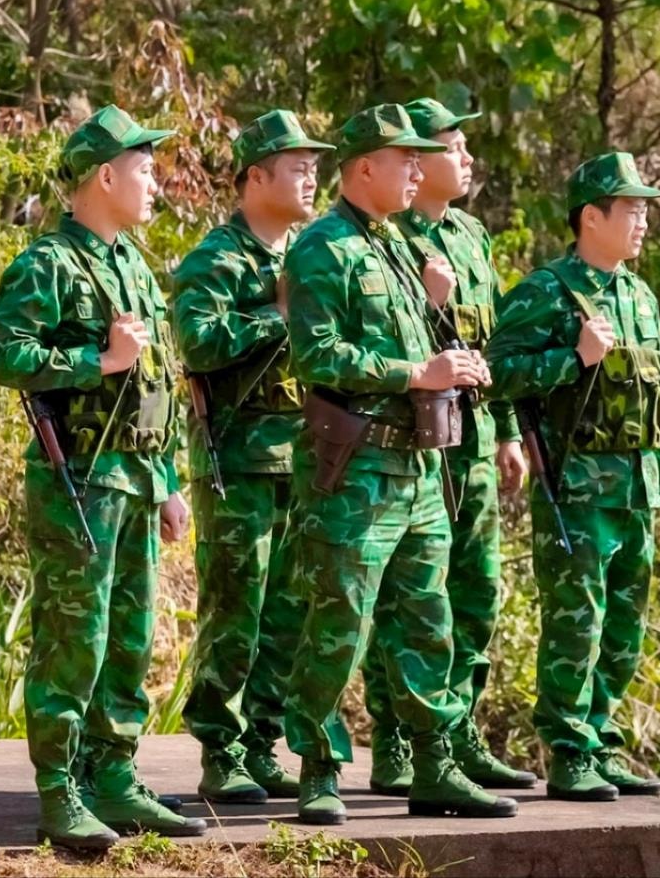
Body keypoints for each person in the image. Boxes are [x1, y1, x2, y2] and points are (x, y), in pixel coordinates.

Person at [281, 102, 519, 825]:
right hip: (354, 471)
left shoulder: (391, 245)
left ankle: (433, 761)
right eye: (404, 158)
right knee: (340, 621)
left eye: (423, 156)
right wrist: (415, 370)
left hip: (418, 467)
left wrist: (443, 346)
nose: (418, 166)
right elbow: (316, 354)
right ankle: (319, 765)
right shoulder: (322, 247)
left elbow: (421, 349)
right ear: (363, 168)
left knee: (427, 620)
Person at [0, 105, 206, 850]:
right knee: (73, 636)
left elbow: (158, 386)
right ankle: (60, 788)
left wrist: (170, 478)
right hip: (77, 477)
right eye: (144, 171)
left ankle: (113, 775)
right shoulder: (47, 263)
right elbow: (7, 357)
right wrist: (95, 361)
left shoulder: (134, 266)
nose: (155, 185)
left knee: (131, 637)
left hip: (135, 479)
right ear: (104, 176)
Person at [485, 152, 660, 802]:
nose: (642, 222)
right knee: (578, 621)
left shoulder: (638, 295)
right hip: (575, 490)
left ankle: (599, 739)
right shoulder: (546, 290)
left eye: (643, 210)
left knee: (625, 629)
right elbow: (499, 372)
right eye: (630, 210)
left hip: (635, 490)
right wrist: (571, 357)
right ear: (590, 216)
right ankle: (568, 748)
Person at [359, 98, 535, 794]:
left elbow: (489, 343)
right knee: (407, 595)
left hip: (476, 431)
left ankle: (458, 733)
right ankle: (398, 739)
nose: (466, 161)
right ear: (417, 157)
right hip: (414, 436)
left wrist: (511, 432)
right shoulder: (389, 236)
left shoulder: (468, 234)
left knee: (475, 589)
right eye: (453, 148)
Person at [173, 110, 332, 804]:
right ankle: (219, 746)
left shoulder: (311, 254)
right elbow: (196, 343)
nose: (310, 177)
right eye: (296, 166)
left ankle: (263, 741)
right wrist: (275, 312)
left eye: (312, 165)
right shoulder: (217, 257)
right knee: (235, 607)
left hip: (305, 455)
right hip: (237, 457)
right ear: (254, 176)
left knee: (291, 610)